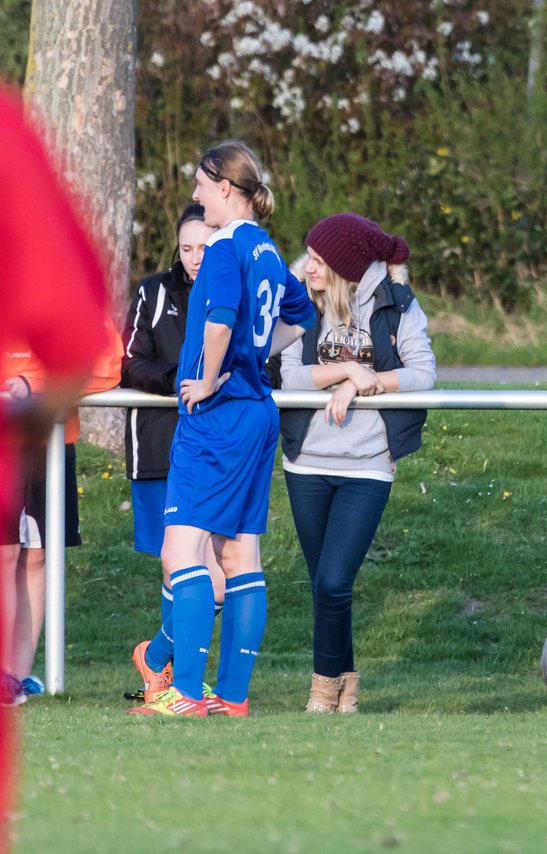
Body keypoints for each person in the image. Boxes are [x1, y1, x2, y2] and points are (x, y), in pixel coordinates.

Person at [129, 140, 314, 717]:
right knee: (239, 557)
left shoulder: (225, 248)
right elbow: (299, 315)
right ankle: (232, 698)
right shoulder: (265, 248)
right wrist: (253, 359)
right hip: (257, 411)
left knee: (182, 550)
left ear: (226, 188)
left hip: (217, 415)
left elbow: (218, 321)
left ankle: (183, 695)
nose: (194, 194)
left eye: (201, 185)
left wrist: (210, 378)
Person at [0, 82, 111, 836]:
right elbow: (77, 333)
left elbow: (89, 349)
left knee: (30, 561)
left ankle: (17, 674)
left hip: (41, 447)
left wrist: (33, 412)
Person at [278, 213, 436, 713]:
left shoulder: (396, 305)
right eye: (309, 257)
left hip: (367, 464)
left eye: (320, 262)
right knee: (326, 585)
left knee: (332, 582)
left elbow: (423, 375)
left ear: (347, 270)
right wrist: (345, 368)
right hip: (306, 464)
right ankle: (347, 684)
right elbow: (289, 377)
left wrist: (362, 383)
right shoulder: (301, 305)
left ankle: (323, 688)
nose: (309, 268)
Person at [120, 204, 227, 703]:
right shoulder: (152, 292)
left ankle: (161, 659)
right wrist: (180, 382)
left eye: (204, 247)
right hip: (161, 444)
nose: (195, 257)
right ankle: (177, 680)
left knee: (218, 577)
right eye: (187, 248)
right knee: (177, 565)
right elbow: (131, 363)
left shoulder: (233, 287)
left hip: (218, 447)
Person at [3, 316, 121, 703]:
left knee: (37, 558)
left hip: (52, 442)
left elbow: (107, 366)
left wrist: (35, 386)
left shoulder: (66, 298)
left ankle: (18, 675)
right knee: (5, 555)